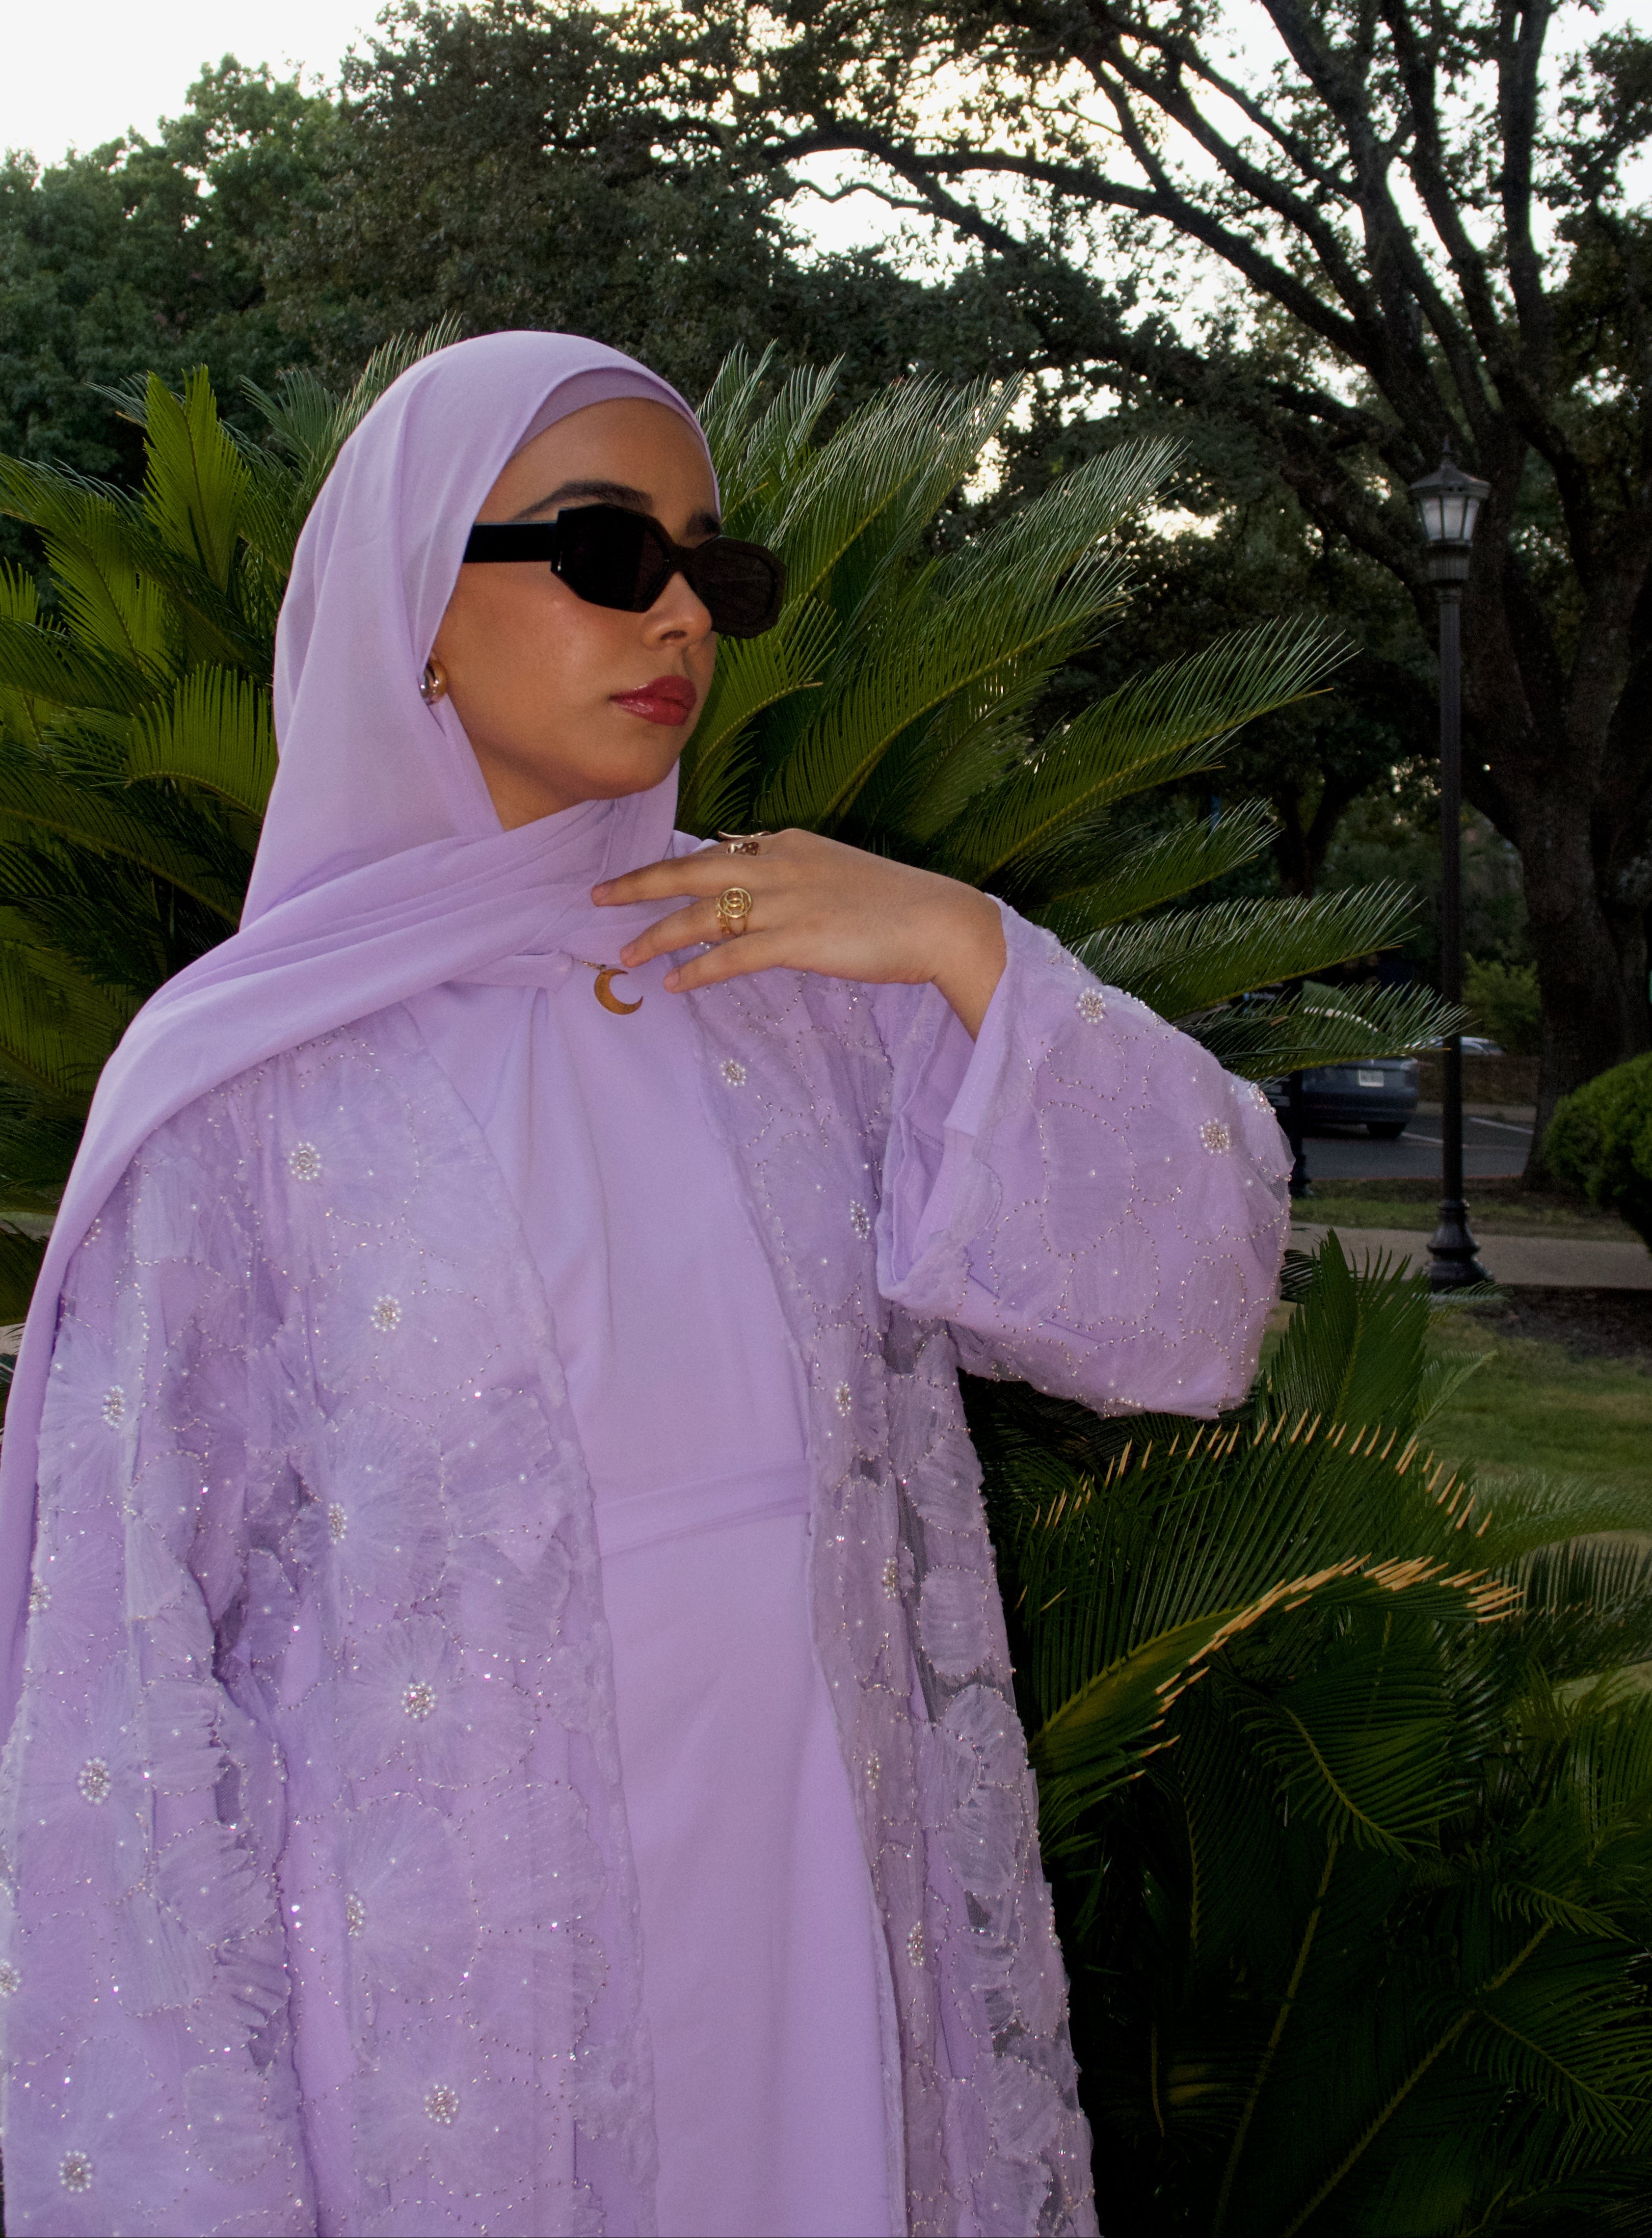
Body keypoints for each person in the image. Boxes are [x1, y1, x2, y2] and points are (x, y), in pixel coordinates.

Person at [0, 332, 1289, 2238]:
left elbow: (1189, 1299)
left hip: (816, 1942)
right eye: (610, 554)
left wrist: (962, 945)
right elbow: (119, 1692)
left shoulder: (794, 985)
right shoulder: (245, 1088)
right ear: (415, 612)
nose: (682, 614)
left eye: (715, 570)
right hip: (457, 2033)